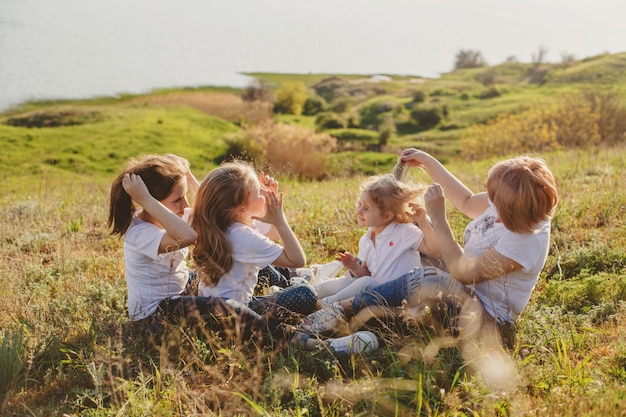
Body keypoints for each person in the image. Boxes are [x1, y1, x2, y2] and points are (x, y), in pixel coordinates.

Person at [301, 149, 559, 358]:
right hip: (458, 290)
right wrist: (427, 161)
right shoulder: (510, 205)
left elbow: (463, 272)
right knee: (410, 238)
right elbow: (467, 201)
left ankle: (337, 309)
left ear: (511, 206)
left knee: (429, 277)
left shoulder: (525, 242)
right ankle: (361, 311)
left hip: (484, 322)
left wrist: (438, 217)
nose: (489, 198)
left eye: (494, 196)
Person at [107, 154, 267, 343]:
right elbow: (189, 236)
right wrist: (146, 200)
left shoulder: (172, 216)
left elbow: (211, 213)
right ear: (152, 202)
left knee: (236, 260)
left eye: (184, 197)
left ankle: (295, 277)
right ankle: (285, 335)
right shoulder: (139, 234)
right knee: (228, 306)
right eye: (178, 200)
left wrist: (189, 177)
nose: (186, 205)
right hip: (155, 316)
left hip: (179, 293)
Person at [312, 174, 440, 306]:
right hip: (373, 297)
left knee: (366, 283)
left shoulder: (403, 231)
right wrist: (354, 266)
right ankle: (311, 293)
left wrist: (423, 222)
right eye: (359, 204)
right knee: (349, 282)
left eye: (366, 209)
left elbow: (434, 251)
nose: (358, 211)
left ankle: (325, 305)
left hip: (402, 301)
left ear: (386, 216)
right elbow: (366, 274)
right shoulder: (366, 239)